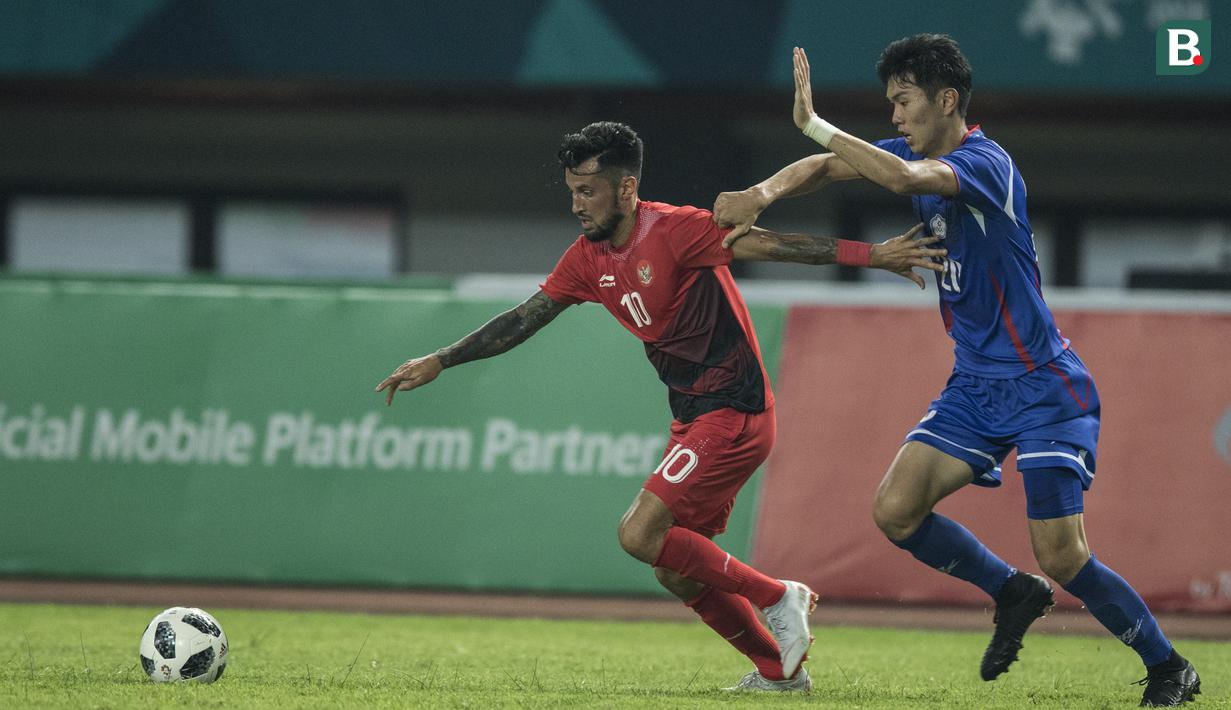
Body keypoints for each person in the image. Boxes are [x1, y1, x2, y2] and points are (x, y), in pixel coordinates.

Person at [714, 36, 1200, 706]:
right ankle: (1010, 591)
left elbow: (901, 181)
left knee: (1061, 555)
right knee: (895, 509)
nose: (895, 116)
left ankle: (1168, 666)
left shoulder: (985, 163)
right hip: (973, 385)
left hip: (1042, 388)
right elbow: (826, 169)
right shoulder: (911, 151)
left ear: (946, 100)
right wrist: (761, 190)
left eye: (903, 101)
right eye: (889, 103)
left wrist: (813, 121)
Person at [376, 121, 945, 692]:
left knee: (638, 534)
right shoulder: (585, 258)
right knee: (674, 567)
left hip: (736, 412)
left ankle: (780, 596)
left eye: (588, 191)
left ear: (626, 190)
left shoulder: (676, 230)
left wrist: (870, 254)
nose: (577, 204)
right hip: (696, 418)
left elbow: (773, 244)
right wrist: (442, 360)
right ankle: (778, 673)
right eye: (572, 190)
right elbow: (524, 318)